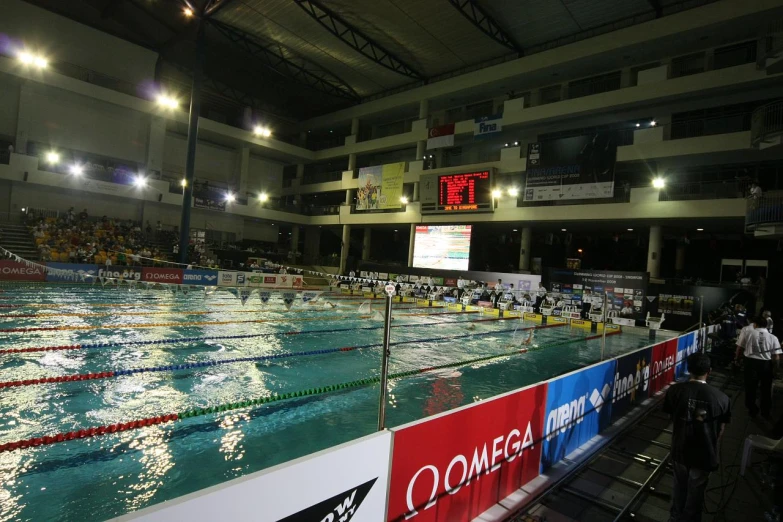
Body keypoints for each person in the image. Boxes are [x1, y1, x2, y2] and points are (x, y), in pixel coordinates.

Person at [663, 353, 730, 522]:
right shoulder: (722, 398)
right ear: (710, 371)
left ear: (688, 369)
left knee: (679, 486)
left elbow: (669, 416)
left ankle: (675, 517)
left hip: (680, 447)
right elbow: (721, 429)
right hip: (704, 452)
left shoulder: (675, 391)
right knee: (696, 491)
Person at [735, 315, 782, 419]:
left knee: (750, 388)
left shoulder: (748, 333)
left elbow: (739, 349)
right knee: (766, 389)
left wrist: (737, 359)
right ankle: (765, 412)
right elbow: (776, 356)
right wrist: (776, 369)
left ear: (755, 324)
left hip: (750, 364)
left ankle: (752, 409)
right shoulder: (773, 337)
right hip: (766, 365)